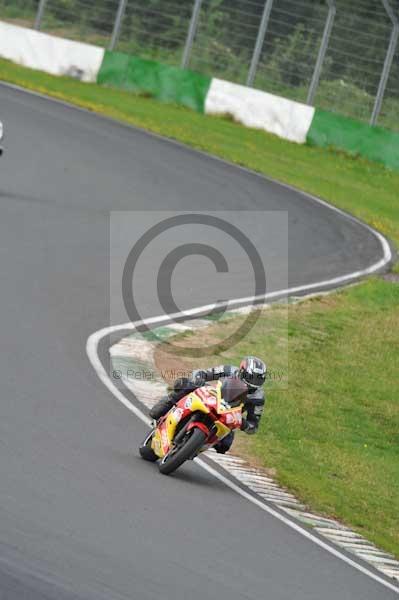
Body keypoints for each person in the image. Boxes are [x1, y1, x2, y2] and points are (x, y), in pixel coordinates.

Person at [149, 356, 267, 454]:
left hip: (228, 416)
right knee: (186, 384)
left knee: (224, 446)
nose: (253, 383)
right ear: (242, 371)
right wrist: (199, 378)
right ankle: (168, 403)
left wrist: (244, 424)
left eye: (258, 380)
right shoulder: (229, 370)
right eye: (251, 378)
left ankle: (193, 447)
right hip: (213, 397)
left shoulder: (258, 397)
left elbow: (253, 426)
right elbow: (203, 372)